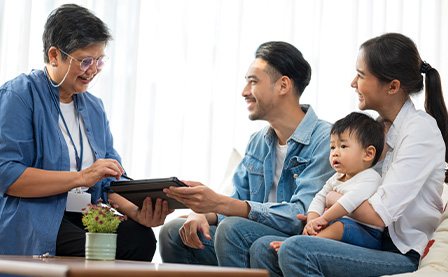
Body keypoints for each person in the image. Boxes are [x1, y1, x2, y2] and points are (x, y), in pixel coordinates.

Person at [250, 33, 448, 276]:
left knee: (296, 250)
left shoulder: (420, 131)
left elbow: (377, 215)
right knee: (263, 248)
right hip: (362, 238)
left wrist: (331, 199)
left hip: (400, 252)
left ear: (393, 86)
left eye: (361, 75)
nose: (353, 83)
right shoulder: (374, 130)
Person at [0, 4, 172, 261]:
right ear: (55, 55)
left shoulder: (94, 108)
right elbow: (7, 175)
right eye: (85, 61)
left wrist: (137, 211)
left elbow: (108, 182)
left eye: (100, 60)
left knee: (140, 239)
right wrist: (81, 177)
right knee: (95, 250)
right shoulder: (20, 96)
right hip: (37, 215)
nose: (93, 70)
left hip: (85, 214)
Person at [159, 41, 334, 267]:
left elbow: (300, 215)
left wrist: (220, 204)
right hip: (245, 236)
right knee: (173, 231)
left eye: (253, 82)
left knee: (233, 229)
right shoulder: (258, 141)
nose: (244, 92)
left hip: (290, 243)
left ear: (283, 85)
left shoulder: (326, 140)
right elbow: (236, 201)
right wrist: (203, 213)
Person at [270, 112, 385, 254]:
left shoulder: (370, 177)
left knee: (339, 225)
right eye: (332, 147)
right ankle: (304, 240)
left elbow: (349, 202)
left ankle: (301, 244)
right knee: (327, 225)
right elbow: (319, 198)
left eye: (343, 146)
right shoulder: (336, 177)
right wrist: (312, 221)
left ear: (368, 154)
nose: (335, 153)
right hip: (340, 225)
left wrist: (323, 219)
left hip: (368, 234)